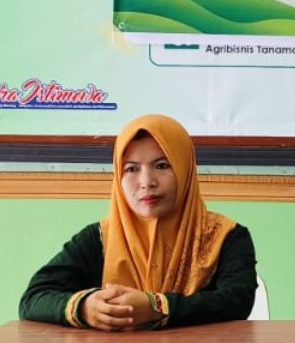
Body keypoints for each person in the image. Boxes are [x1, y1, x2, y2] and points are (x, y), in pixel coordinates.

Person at [20, 114, 256, 329]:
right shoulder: (100, 238)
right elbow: (33, 299)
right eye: (132, 169)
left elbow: (237, 301)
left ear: (185, 169)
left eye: (162, 166)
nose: (146, 182)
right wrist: (84, 308)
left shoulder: (226, 236)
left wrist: (157, 306)